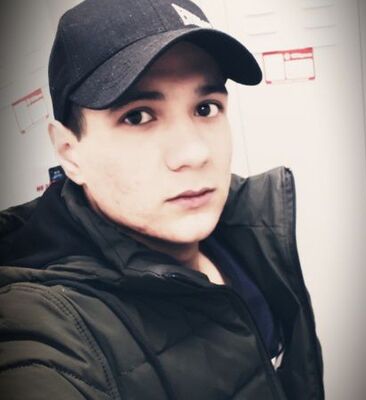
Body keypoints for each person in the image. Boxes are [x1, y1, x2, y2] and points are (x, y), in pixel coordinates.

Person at [0, 0, 324, 398]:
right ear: (70, 153)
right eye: (137, 116)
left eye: (205, 108)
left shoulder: (251, 230)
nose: (194, 153)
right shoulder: (48, 325)